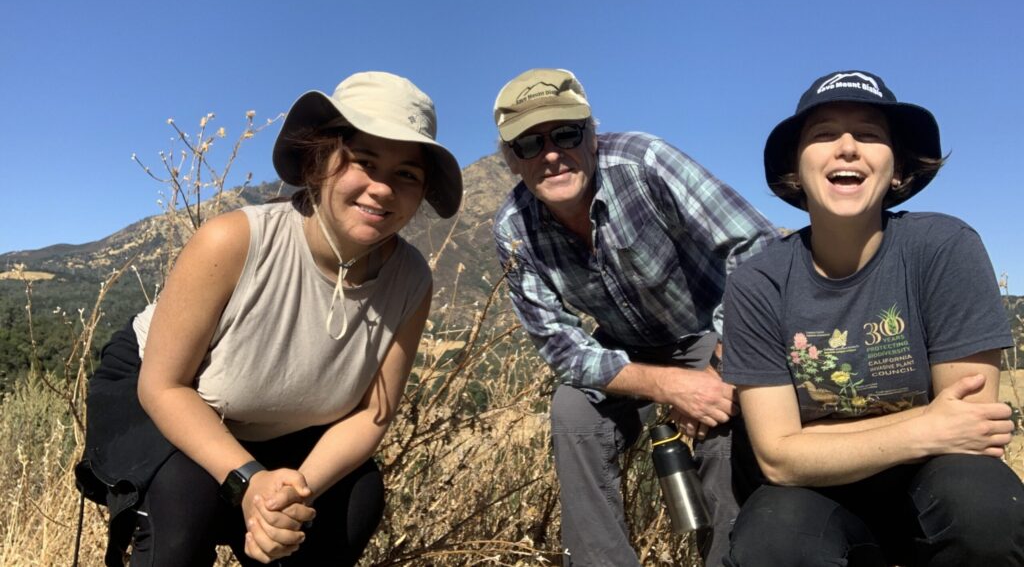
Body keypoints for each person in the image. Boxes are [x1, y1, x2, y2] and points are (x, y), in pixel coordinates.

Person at [75, 71, 463, 566]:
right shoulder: (234, 241)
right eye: (364, 162)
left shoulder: (410, 280)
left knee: (353, 501)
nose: (382, 189)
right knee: (182, 505)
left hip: (284, 433)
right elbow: (165, 387)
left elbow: (373, 413)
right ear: (320, 161)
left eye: (406, 174)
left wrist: (292, 495)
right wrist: (248, 482)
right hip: (170, 399)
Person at [721, 70, 1024, 566]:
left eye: (868, 134)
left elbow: (969, 428)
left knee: (985, 508)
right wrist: (926, 424)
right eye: (822, 134)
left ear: (898, 170)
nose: (846, 147)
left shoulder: (944, 248)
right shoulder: (758, 282)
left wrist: (810, 442)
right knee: (771, 542)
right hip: (816, 498)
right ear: (796, 171)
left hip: (933, 483)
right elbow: (777, 458)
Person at [491, 68, 776, 566]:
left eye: (565, 133)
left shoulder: (645, 162)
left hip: (713, 328)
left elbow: (757, 248)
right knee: (573, 411)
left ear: (592, 135)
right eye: (529, 145)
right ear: (512, 161)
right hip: (629, 346)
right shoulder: (515, 230)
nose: (551, 154)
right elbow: (561, 347)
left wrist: (719, 368)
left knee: (723, 421)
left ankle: (731, 558)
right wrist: (670, 387)